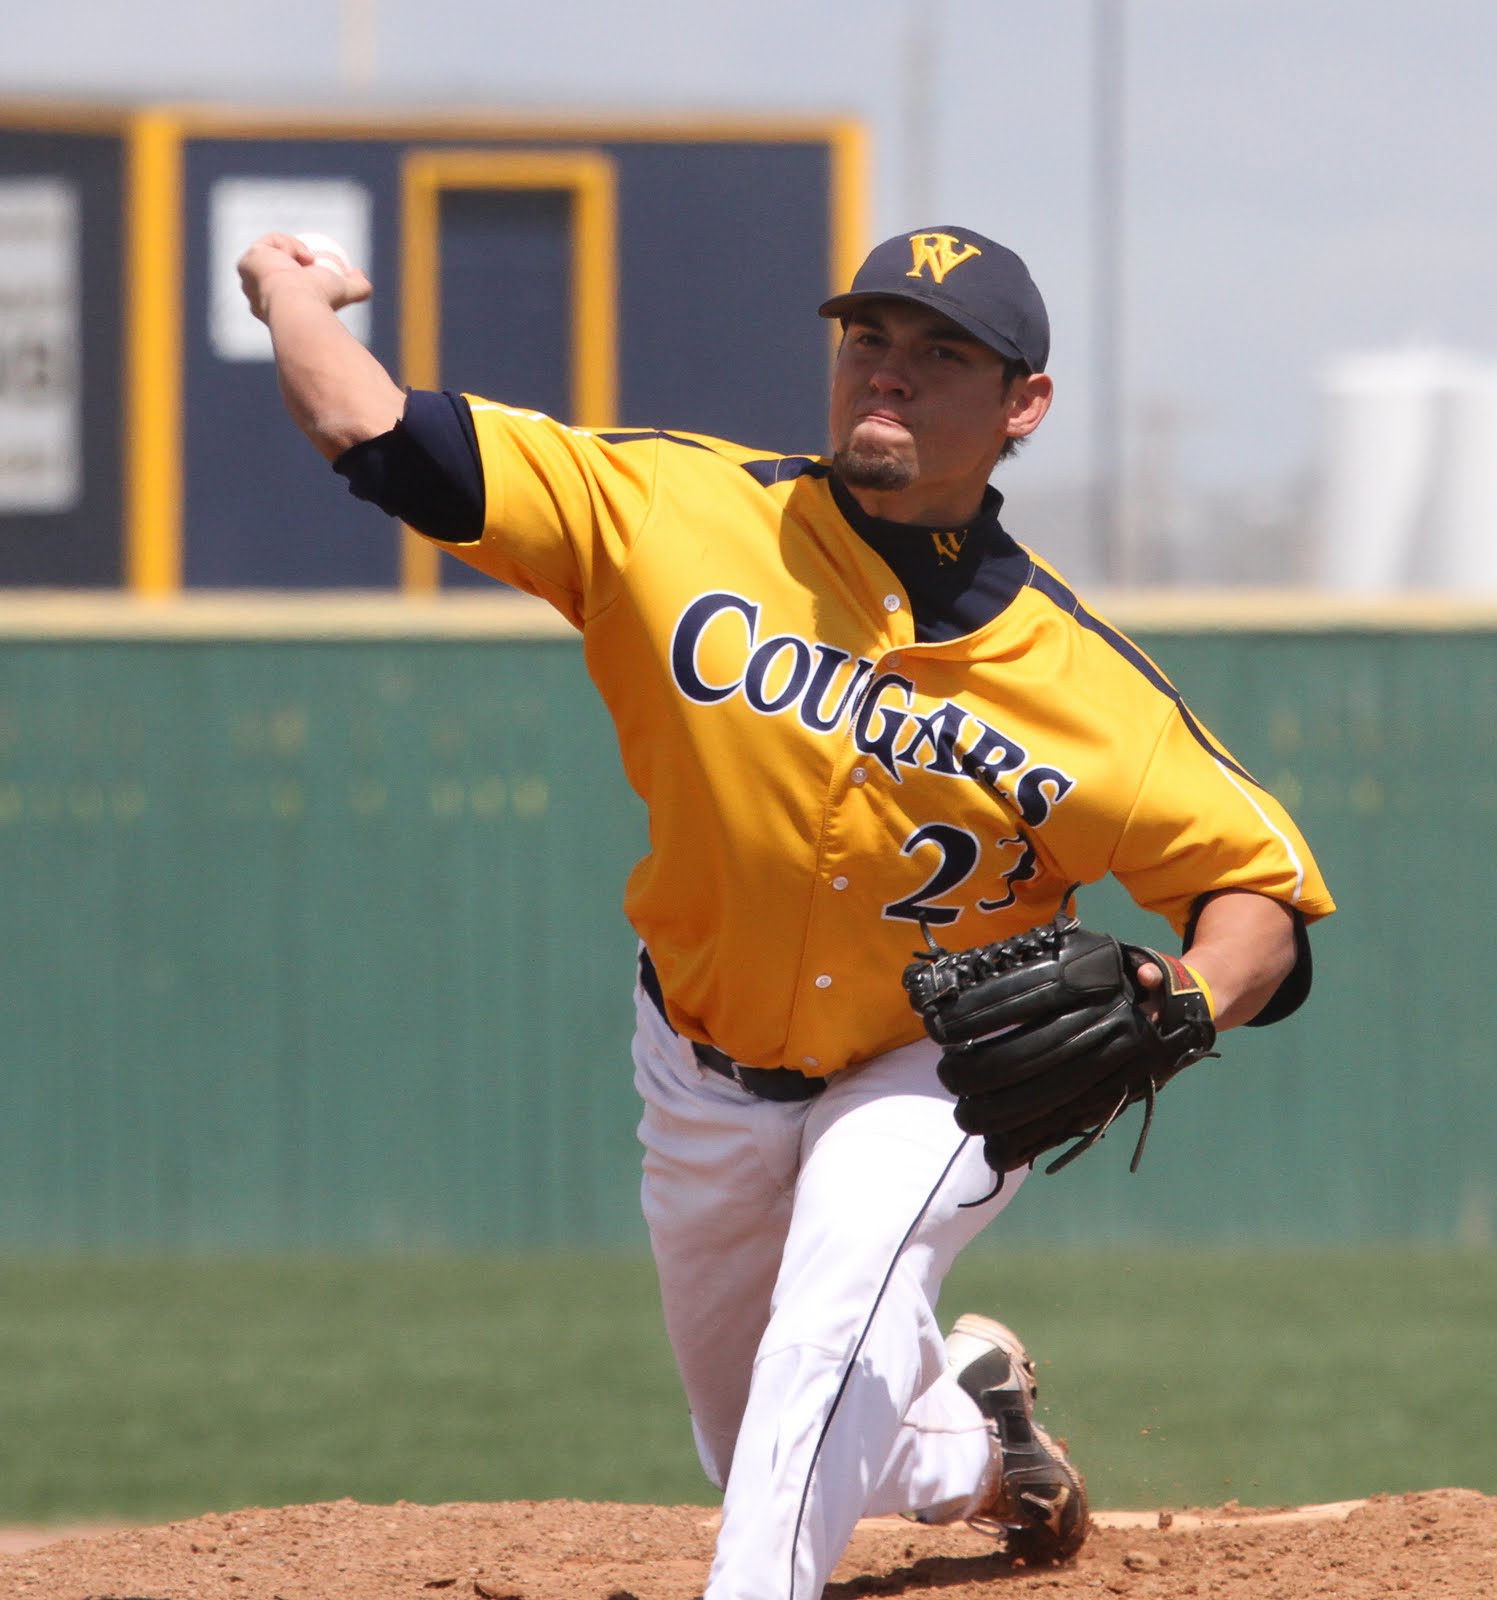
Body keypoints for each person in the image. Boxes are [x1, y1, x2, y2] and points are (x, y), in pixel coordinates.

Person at [239, 224, 1335, 1599]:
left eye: (943, 353)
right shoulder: (672, 509)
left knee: (823, 1330)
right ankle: (986, 1444)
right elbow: (369, 425)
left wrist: (1182, 996)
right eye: (869, 338)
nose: (889, 372)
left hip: (934, 1064)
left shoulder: (1083, 682)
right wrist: (290, 291)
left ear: (1021, 407)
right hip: (700, 1059)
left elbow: (1261, 903)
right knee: (753, 1424)